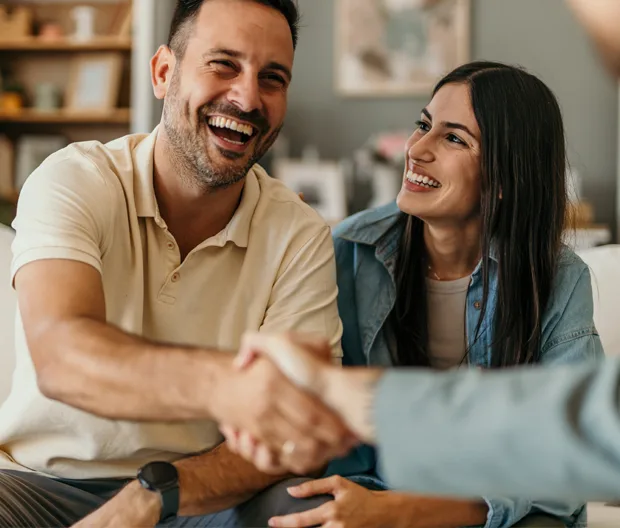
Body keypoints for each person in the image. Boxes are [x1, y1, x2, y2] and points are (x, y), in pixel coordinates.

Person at [224, 0, 620, 506]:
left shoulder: (559, 278)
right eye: (424, 123)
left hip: (493, 505)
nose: (417, 147)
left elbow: (565, 472)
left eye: (453, 138)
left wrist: (409, 513)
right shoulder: (346, 251)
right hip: (366, 493)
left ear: (504, 179)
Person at [0, 0, 354, 526]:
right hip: (37, 486)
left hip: (196, 495)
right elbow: (62, 355)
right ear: (164, 72)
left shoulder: (298, 233)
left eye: (272, 78)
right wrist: (235, 388)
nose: (248, 97)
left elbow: (291, 434)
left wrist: (152, 494)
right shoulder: (74, 179)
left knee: (313, 509)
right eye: (223, 64)